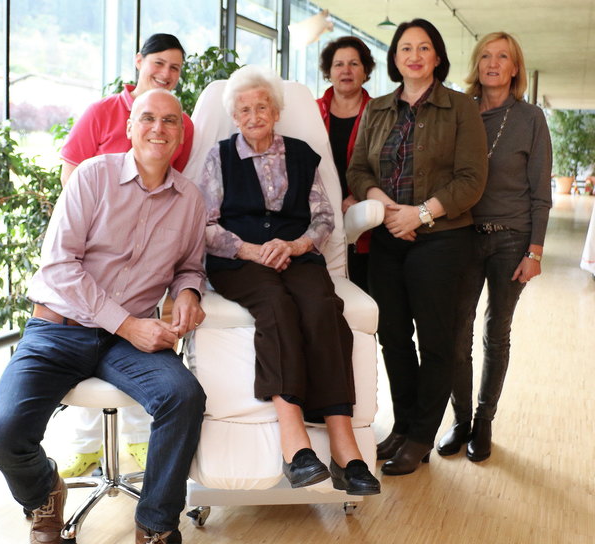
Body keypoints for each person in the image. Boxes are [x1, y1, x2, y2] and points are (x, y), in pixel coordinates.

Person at [0, 89, 207, 544]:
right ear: (129, 127)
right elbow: (60, 265)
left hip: (128, 343)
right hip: (59, 329)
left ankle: (156, 526)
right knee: (0, 435)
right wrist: (127, 324)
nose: (158, 129)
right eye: (147, 118)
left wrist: (187, 293)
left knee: (184, 397)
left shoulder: (190, 201)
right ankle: (45, 493)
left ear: (182, 135)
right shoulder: (92, 176)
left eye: (170, 121)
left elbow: (190, 265)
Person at [195, 65, 380, 496]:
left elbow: (323, 218)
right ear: (235, 117)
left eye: (262, 106)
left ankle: (344, 445)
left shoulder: (301, 154)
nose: (254, 114)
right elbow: (204, 223)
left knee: (322, 308)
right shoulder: (218, 158)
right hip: (240, 261)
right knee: (276, 307)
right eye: (244, 109)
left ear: (276, 111)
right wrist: (251, 250)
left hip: (297, 257)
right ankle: (295, 444)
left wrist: (295, 246)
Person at [347, 18, 488, 476]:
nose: (414, 55)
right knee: (392, 337)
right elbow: (358, 171)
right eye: (405, 48)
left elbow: (472, 180)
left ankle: (423, 435)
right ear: (394, 58)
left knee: (435, 340)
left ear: (438, 57)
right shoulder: (378, 109)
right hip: (389, 237)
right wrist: (389, 210)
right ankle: (403, 424)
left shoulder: (461, 108)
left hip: (443, 239)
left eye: (423, 47)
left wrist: (420, 214)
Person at [58, 33, 194, 477]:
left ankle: (137, 441)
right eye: (159, 63)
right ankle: (87, 447)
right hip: (90, 247)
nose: (166, 74)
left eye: (175, 68)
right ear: (139, 61)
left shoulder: (180, 123)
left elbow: (170, 183)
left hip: (139, 265)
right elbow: (72, 171)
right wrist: (96, 230)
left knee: (135, 344)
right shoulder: (102, 112)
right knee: (85, 342)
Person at [436, 32, 552, 462]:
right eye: (485, 55)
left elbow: (541, 193)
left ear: (515, 68)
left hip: (511, 238)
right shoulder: (458, 111)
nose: (493, 63)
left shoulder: (531, 118)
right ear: (476, 64)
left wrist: (534, 252)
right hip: (462, 234)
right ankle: (461, 419)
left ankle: (484, 421)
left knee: (495, 334)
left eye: (503, 57)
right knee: (455, 334)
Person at [317, 36, 375, 291]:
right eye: (338, 64)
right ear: (329, 72)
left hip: (366, 220)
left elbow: (390, 166)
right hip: (319, 217)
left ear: (365, 71)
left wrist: (358, 197)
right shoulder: (312, 111)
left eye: (354, 63)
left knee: (365, 296)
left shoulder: (380, 113)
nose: (346, 70)